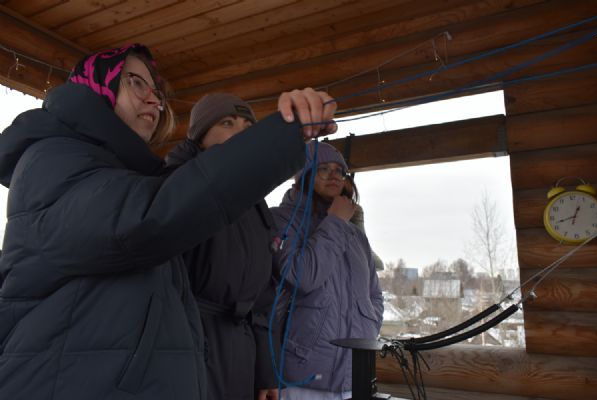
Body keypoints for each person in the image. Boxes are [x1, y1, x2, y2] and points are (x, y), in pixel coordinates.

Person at [0, 44, 336, 400]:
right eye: (135, 83)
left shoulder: (126, 175)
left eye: (156, 92)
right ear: (96, 85)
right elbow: (150, 218)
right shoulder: (53, 158)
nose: (154, 100)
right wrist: (278, 136)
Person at [164, 93, 284, 400]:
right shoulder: (176, 186)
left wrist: (265, 371)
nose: (241, 133)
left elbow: (264, 297)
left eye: (247, 126)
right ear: (200, 136)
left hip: (241, 352)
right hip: (189, 348)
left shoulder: (254, 200)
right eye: (228, 123)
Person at [270, 141, 384, 400]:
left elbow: (374, 295)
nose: (334, 175)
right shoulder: (282, 219)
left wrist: (368, 329)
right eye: (323, 169)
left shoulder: (356, 235)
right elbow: (302, 276)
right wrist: (335, 221)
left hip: (354, 374)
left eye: (339, 170)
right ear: (304, 175)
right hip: (303, 375)